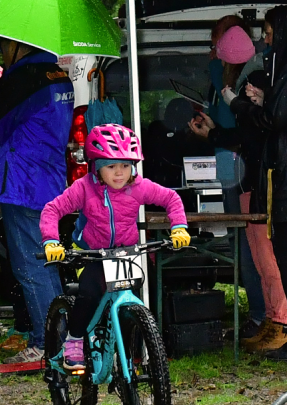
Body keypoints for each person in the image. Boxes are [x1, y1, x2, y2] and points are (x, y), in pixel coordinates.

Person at [40, 125, 189, 371]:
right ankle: (74, 339)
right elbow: (51, 210)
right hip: (90, 254)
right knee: (89, 293)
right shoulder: (85, 187)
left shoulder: (139, 186)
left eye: (125, 166)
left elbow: (171, 199)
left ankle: (135, 348)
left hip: (125, 254)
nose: (120, 173)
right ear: (97, 167)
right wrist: (51, 241)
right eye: (111, 167)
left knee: (139, 295)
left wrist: (179, 227)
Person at [0, 39, 74, 364]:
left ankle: (48, 345)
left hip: (23, 184)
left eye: (3, 47)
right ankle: (58, 337)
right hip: (49, 179)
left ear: (17, 45)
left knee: (31, 265)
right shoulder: (58, 76)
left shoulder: (24, 79)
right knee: (47, 262)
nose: (2, 53)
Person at [190, 25, 270, 341]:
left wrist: (213, 132)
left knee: (254, 247)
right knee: (253, 246)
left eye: (216, 46)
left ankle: (264, 317)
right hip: (239, 168)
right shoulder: (248, 79)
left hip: (242, 170)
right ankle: (265, 316)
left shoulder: (243, 82)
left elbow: (240, 133)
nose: (213, 52)